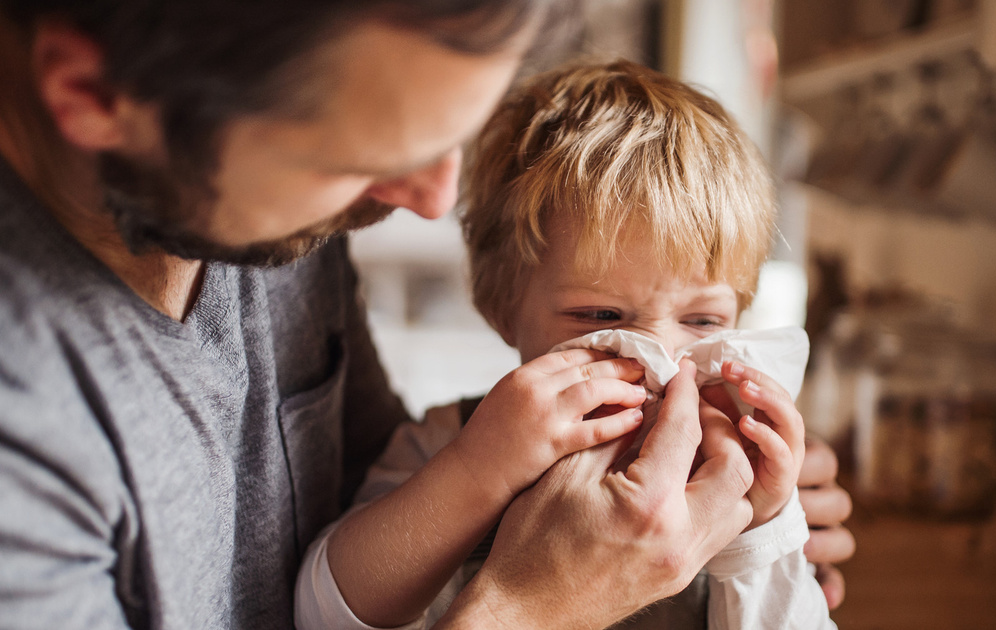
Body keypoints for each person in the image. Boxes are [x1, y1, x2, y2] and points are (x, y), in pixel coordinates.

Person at [0, 1, 852, 628]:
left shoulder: (272, 210)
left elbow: (357, 491)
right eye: (361, 154)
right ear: (96, 97)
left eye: (449, 134)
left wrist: (763, 537)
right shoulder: (26, 446)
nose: (432, 199)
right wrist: (528, 605)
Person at [297, 59, 836, 630]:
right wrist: (479, 470)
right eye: (602, 316)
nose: (657, 359)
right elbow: (321, 614)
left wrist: (766, 525)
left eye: (702, 322)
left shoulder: (729, 466)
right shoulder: (452, 442)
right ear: (503, 308)